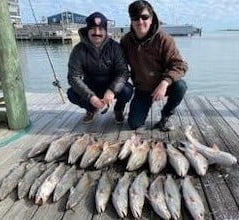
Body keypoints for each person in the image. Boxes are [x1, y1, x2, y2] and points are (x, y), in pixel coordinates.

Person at [121, 0, 188, 131]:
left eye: (144, 17)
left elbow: (180, 65)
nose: (140, 21)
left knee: (181, 86)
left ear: (151, 19)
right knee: (134, 124)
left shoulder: (164, 39)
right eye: (135, 18)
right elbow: (119, 66)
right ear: (131, 20)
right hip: (142, 89)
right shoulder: (125, 41)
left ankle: (166, 115)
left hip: (163, 86)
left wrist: (165, 83)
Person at [67, 12, 133, 124]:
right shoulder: (78, 50)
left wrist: (112, 90)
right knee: (71, 93)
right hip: (90, 85)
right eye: (93, 28)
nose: (97, 32)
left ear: (106, 31)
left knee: (127, 90)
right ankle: (91, 109)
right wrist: (90, 96)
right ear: (87, 30)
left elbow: (123, 72)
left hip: (111, 84)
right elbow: (73, 77)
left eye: (101, 29)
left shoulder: (115, 47)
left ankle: (118, 109)